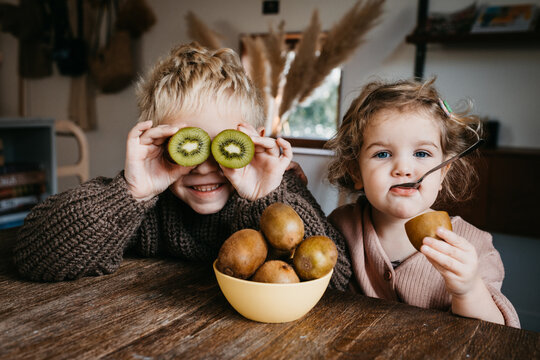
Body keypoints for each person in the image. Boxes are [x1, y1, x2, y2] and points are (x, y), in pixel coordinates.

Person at [13, 42, 352, 290]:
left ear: (254, 143)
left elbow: (339, 280)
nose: (203, 166)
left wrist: (266, 196)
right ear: (156, 142)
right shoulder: (145, 205)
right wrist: (129, 193)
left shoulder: (279, 189)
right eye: (188, 147)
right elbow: (33, 254)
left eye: (222, 146)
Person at [326, 78, 520, 327]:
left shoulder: (474, 246)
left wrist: (469, 290)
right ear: (356, 172)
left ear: (443, 172)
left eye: (421, 153)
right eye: (382, 154)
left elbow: (499, 333)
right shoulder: (341, 226)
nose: (404, 169)